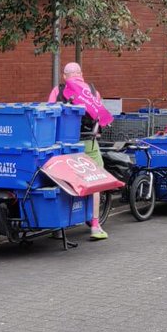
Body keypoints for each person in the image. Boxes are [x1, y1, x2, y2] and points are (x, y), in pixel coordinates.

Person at [49, 62, 113, 240]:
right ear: (81, 74)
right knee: (95, 181)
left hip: (64, 145)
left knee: (61, 180)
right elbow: (99, 116)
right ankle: (95, 225)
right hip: (88, 143)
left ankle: (57, 226)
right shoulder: (92, 92)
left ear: (64, 76)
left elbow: (49, 114)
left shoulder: (58, 91)